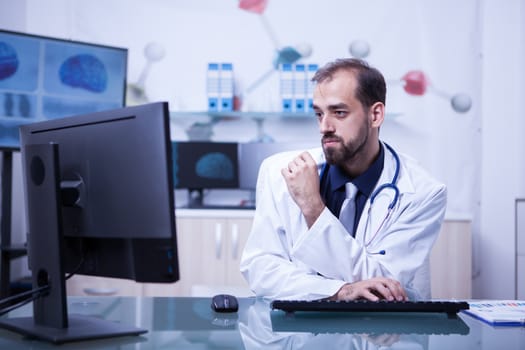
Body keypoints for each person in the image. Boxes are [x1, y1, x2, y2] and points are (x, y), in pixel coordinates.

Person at [239, 58, 447, 301]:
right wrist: (340, 291)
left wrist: (312, 207)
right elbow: (261, 269)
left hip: (382, 333)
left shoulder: (422, 192)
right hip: (299, 333)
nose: (324, 127)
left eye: (339, 113)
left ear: (376, 114)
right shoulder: (280, 172)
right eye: (319, 113)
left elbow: (383, 286)